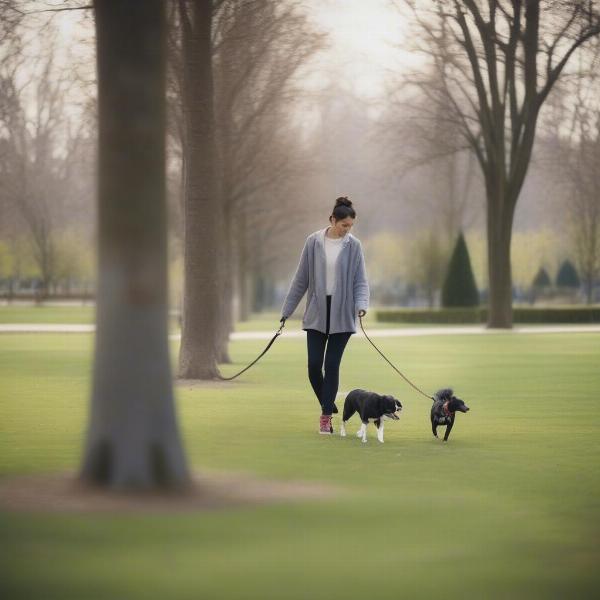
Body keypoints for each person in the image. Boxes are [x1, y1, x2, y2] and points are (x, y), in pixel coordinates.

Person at [280, 197, 370, 435]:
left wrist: (361, 305)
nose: (347, 230)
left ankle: (326, 417)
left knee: (331, 365)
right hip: (317, 312)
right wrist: (286, 312)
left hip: (343, 314)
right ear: (332, 220)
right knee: (313, 366)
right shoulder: (313, 242)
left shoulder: (354, 246)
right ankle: (328, 403)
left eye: (350, 226)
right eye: (344, 225)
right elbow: (301, 280)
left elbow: (361, 280)